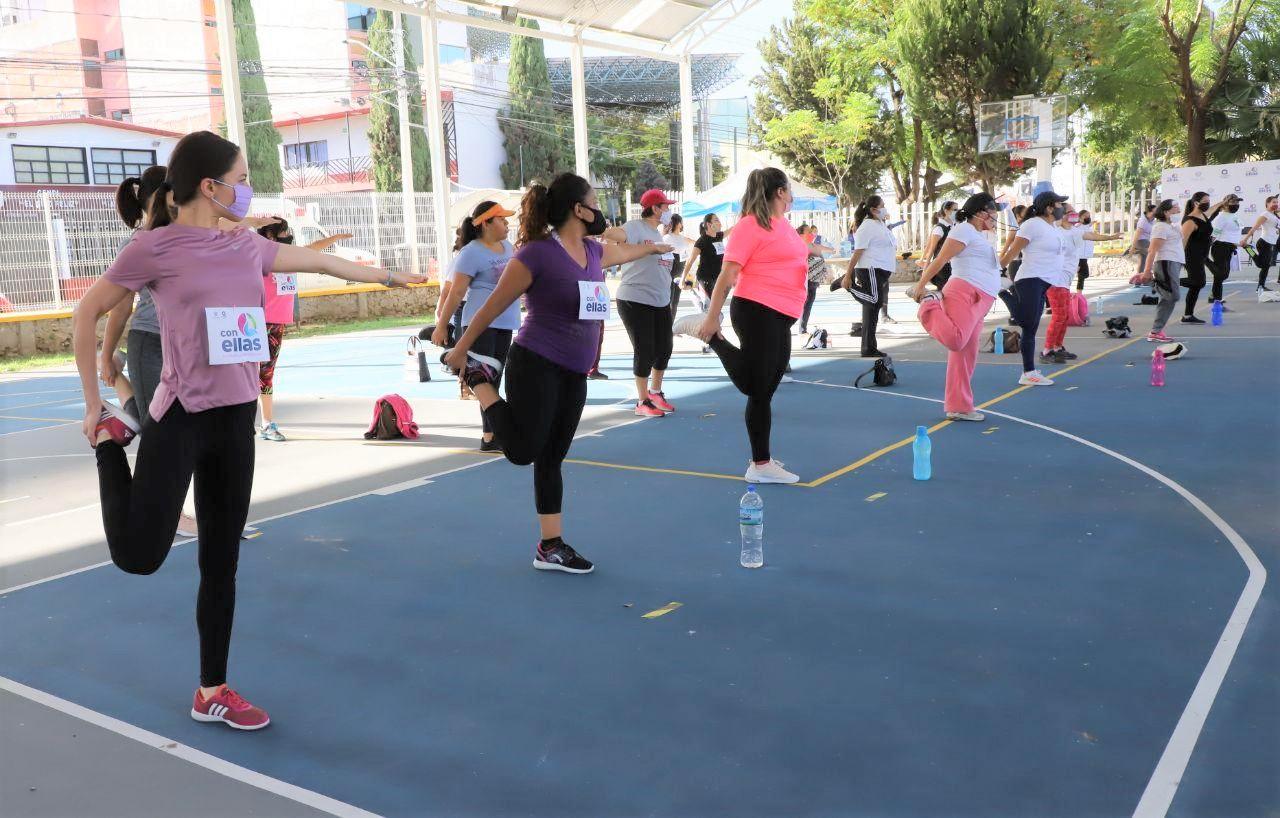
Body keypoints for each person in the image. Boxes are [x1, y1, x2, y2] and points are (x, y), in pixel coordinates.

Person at [70, 130, 426, 731]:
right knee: (139, 556)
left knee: (220, 561)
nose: (246, 189)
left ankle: (213, 688)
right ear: (210, 187)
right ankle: (111, 447)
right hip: (180, 416)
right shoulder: (153, 249)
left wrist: (393, 277)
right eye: (239, 179)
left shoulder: (245, 245)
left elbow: (314, 259)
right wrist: (92, 405)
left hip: (236, 418)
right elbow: (87, 312)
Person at [443, 173, 668, 574]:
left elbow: (627, 252)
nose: (600, 209)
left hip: (574, 371)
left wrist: (654, 247)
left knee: (553, 457)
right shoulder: (536, 255)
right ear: (578, 210)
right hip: (537, 362)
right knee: (523, 451)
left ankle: (551, 546)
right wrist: (461, 349)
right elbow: (492, 306)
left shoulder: (594, 252)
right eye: (594, 201)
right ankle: (480, 380)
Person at [688, 167, 808, 484]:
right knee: (756, 388)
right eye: (790, 189)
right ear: (780, 192)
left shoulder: (782, 225)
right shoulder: (749, 226)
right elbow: (727, 275)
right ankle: (760, 464)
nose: (792, 194)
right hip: (757, 309)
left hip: (782, 313)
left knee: (765, 387)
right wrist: (713, 317)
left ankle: (761, 462)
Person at [253, 220, 355, 442]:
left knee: (265, 374)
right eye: (284, 232)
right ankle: (247, 421)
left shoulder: (290, 257)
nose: (289, 235)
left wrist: (334, 239)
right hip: (255, 322)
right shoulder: (258, 257)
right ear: (270, 236)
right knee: (249, 374)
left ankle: (267, 423)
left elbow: (313, 249)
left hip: (276, 323)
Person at [908, 193, 1004, 421]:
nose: (995, 217)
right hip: (964, 292)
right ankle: (929, 306)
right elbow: (939, 260)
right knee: (956, 340)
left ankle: (959, 407)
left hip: (982, 298)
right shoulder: (963, 230)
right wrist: (921, 287)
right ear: (982, 212)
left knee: (965, 354)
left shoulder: (980, 235)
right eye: (993, 212)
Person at [432, 200, 519, 451]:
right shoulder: (471, 252)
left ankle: (491, 435)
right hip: (479, 324)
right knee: (483, 380)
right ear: (486, 224)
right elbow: (456, 291)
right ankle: (491, 436)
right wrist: (441, 325)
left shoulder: (507, 247)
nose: (506, 224)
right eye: (501, 219)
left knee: (495, 379)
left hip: (505, 322)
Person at [603, 189, 679, 416]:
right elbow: (616, 235)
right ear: (655, 208)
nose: (668, 210)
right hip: (635, 299)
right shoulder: (635, 227)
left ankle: (655, 392)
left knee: (664, 348)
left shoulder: (659, 234)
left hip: (660, 300)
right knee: (645, 350)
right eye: (665, 206)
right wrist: (599, 228)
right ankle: (642, 401)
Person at [998, 188, 1069, 386]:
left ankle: (1028, 373)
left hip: (1044, 282)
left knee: (1030, 327)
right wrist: (998, 269)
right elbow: (1014, 250)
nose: (1061, 208)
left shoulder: (1052, 227)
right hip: (1030, 278)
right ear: (1048, 208)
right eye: (1058, 204)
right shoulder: (1032, 225)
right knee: (1026, 322)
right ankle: (1002, 289)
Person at [1044, 208, 1121, 363]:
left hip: (1066, 281)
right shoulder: (1055, 230)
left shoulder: (1075, 231)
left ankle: (1058, 347)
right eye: (1069, 211)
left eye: (1074, 211)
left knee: (1064, 317)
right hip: (1055, 280)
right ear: (1061, 214)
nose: (1073, 214)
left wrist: (1111, 237)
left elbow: (1092, 236)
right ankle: (1047, 350)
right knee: (1059, 317)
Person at [836, 195, 898, 358]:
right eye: (882, 206)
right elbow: (858, 251)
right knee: (875, 302)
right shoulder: (867, 226)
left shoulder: (880, 224)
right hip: (870, 268)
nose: (885, 208)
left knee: (871, 310)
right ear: (873, 210)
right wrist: (849, 274)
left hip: (881, 269)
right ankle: (846, 283)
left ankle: (868, 347)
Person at [1138, 199, 1184, 342]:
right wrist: (1147, 270)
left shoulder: (1174, 226)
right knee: (1173, 296)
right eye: (1175, 207)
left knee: (1168, 298)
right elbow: (1152, 250)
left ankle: (1155, 332)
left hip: (1175, 262)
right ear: (1166, 211)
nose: (1178, 209)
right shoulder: (1160, 227)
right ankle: (1152, 282)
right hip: (1166, 262)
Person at [1181, 192, 1230, 323]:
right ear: (1196, 203)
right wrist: (1178, 259)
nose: (1207, 203)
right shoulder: (1190, 220)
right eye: (1205, 201)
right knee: (1198, 282)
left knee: (1196, 285)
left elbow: (1211, 210)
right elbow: (1183, 241)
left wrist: (1222, 202)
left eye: (1208, 200)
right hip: (1191, 256)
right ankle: (1167, 280)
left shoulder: (1202, 215)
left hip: (1201, 255)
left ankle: (1187, 316)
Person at [1207, 194, 1246, 310]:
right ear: (1225, 204)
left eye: (1237, 203)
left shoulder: (1234, 216)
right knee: (1221, 274)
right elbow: (1214, 235)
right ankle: (1217, 302)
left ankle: (1214, 297)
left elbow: (1234, 233)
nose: (1236, 205)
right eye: (1233, 203)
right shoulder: (1221, 217)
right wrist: (1203, 249)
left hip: (1230, 247)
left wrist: (1238, 243)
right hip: (1220, 247)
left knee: (1222, 275)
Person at [799, 226, 835, 335]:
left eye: (812, 232)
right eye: (808, 232)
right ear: (801, 235)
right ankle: (799, 327)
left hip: (814, 280)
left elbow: (827, 255)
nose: (811, 233)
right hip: (802, 280)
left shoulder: (815, 246)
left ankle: (802, 327)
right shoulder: (798, 246)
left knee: (808, 303)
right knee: (802, 304)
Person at [1243, 195, 1280, 292]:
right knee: (1263, 265)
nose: (1276, 204)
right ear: (1267, 204)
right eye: (1273, 202)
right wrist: (1245, 239)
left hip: (1271, 243)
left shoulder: (1274, 215)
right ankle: (1248, 248)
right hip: (1264, 242)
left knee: (1265, 265)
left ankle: (1260, 286)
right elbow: (1254, 227)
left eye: (1277, 202)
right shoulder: (1265, 214)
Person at [919, 201, 958, 291]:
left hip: (953, 265)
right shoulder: (939, 228)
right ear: (946, 211)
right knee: (945, 291)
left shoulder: (954, 226)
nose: (957, 212)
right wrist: (925, 268)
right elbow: (931, 249)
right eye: (955, 210)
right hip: (942, 267)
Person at [662, 213, 695, 320]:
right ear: (678, 223)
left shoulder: (683, 238)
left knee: (675, 301)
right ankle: (666, 326)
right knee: (669, 299)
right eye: (681, 221)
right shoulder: (666, 237)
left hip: (680, 270)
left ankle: (670, 328)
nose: (682, 224)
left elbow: (696, 243)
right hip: (670, 269)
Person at [1127, 204, 1157, 292]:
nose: (1157, 212)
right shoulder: (1143, 221)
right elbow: (1137, 234)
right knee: (1151, 256)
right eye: (1155, 210)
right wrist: (1133, 246)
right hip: (1141, 241)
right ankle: (1147, 279)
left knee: (1143, 260)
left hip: (1146, 241)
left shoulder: (1152, 221)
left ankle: (1138, 280)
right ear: (1149, 212)